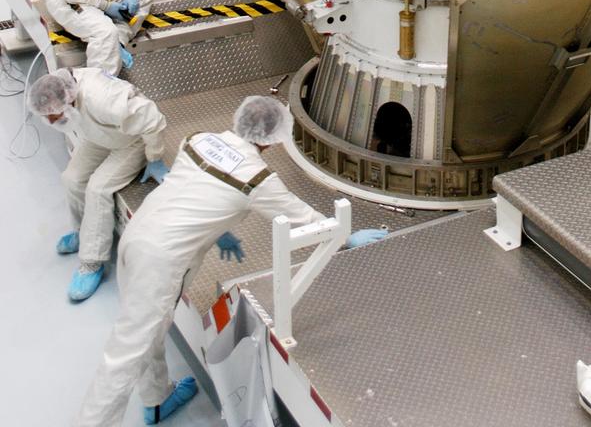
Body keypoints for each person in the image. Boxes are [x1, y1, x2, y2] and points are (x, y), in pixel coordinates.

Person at [73, 95, 387, 426]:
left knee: (144, 330)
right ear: (273, 139)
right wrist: (346, 237)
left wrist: (217, 227)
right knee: (125, 355)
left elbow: (193, 183)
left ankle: (156, 400)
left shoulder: (198, 140)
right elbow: (307, 221)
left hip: (138, 236)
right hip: (160, 260)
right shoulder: (258, 179)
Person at [28, 67, 168, 303]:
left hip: (131, 140)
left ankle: (92, 263)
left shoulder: (103, 99)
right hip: (101, 135)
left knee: (98, 188)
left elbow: (153, 118)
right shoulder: (64, 88)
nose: (55, 121)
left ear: (68, 101)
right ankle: (82, 232)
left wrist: (154, 157)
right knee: (71, 178)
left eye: (57, 116)